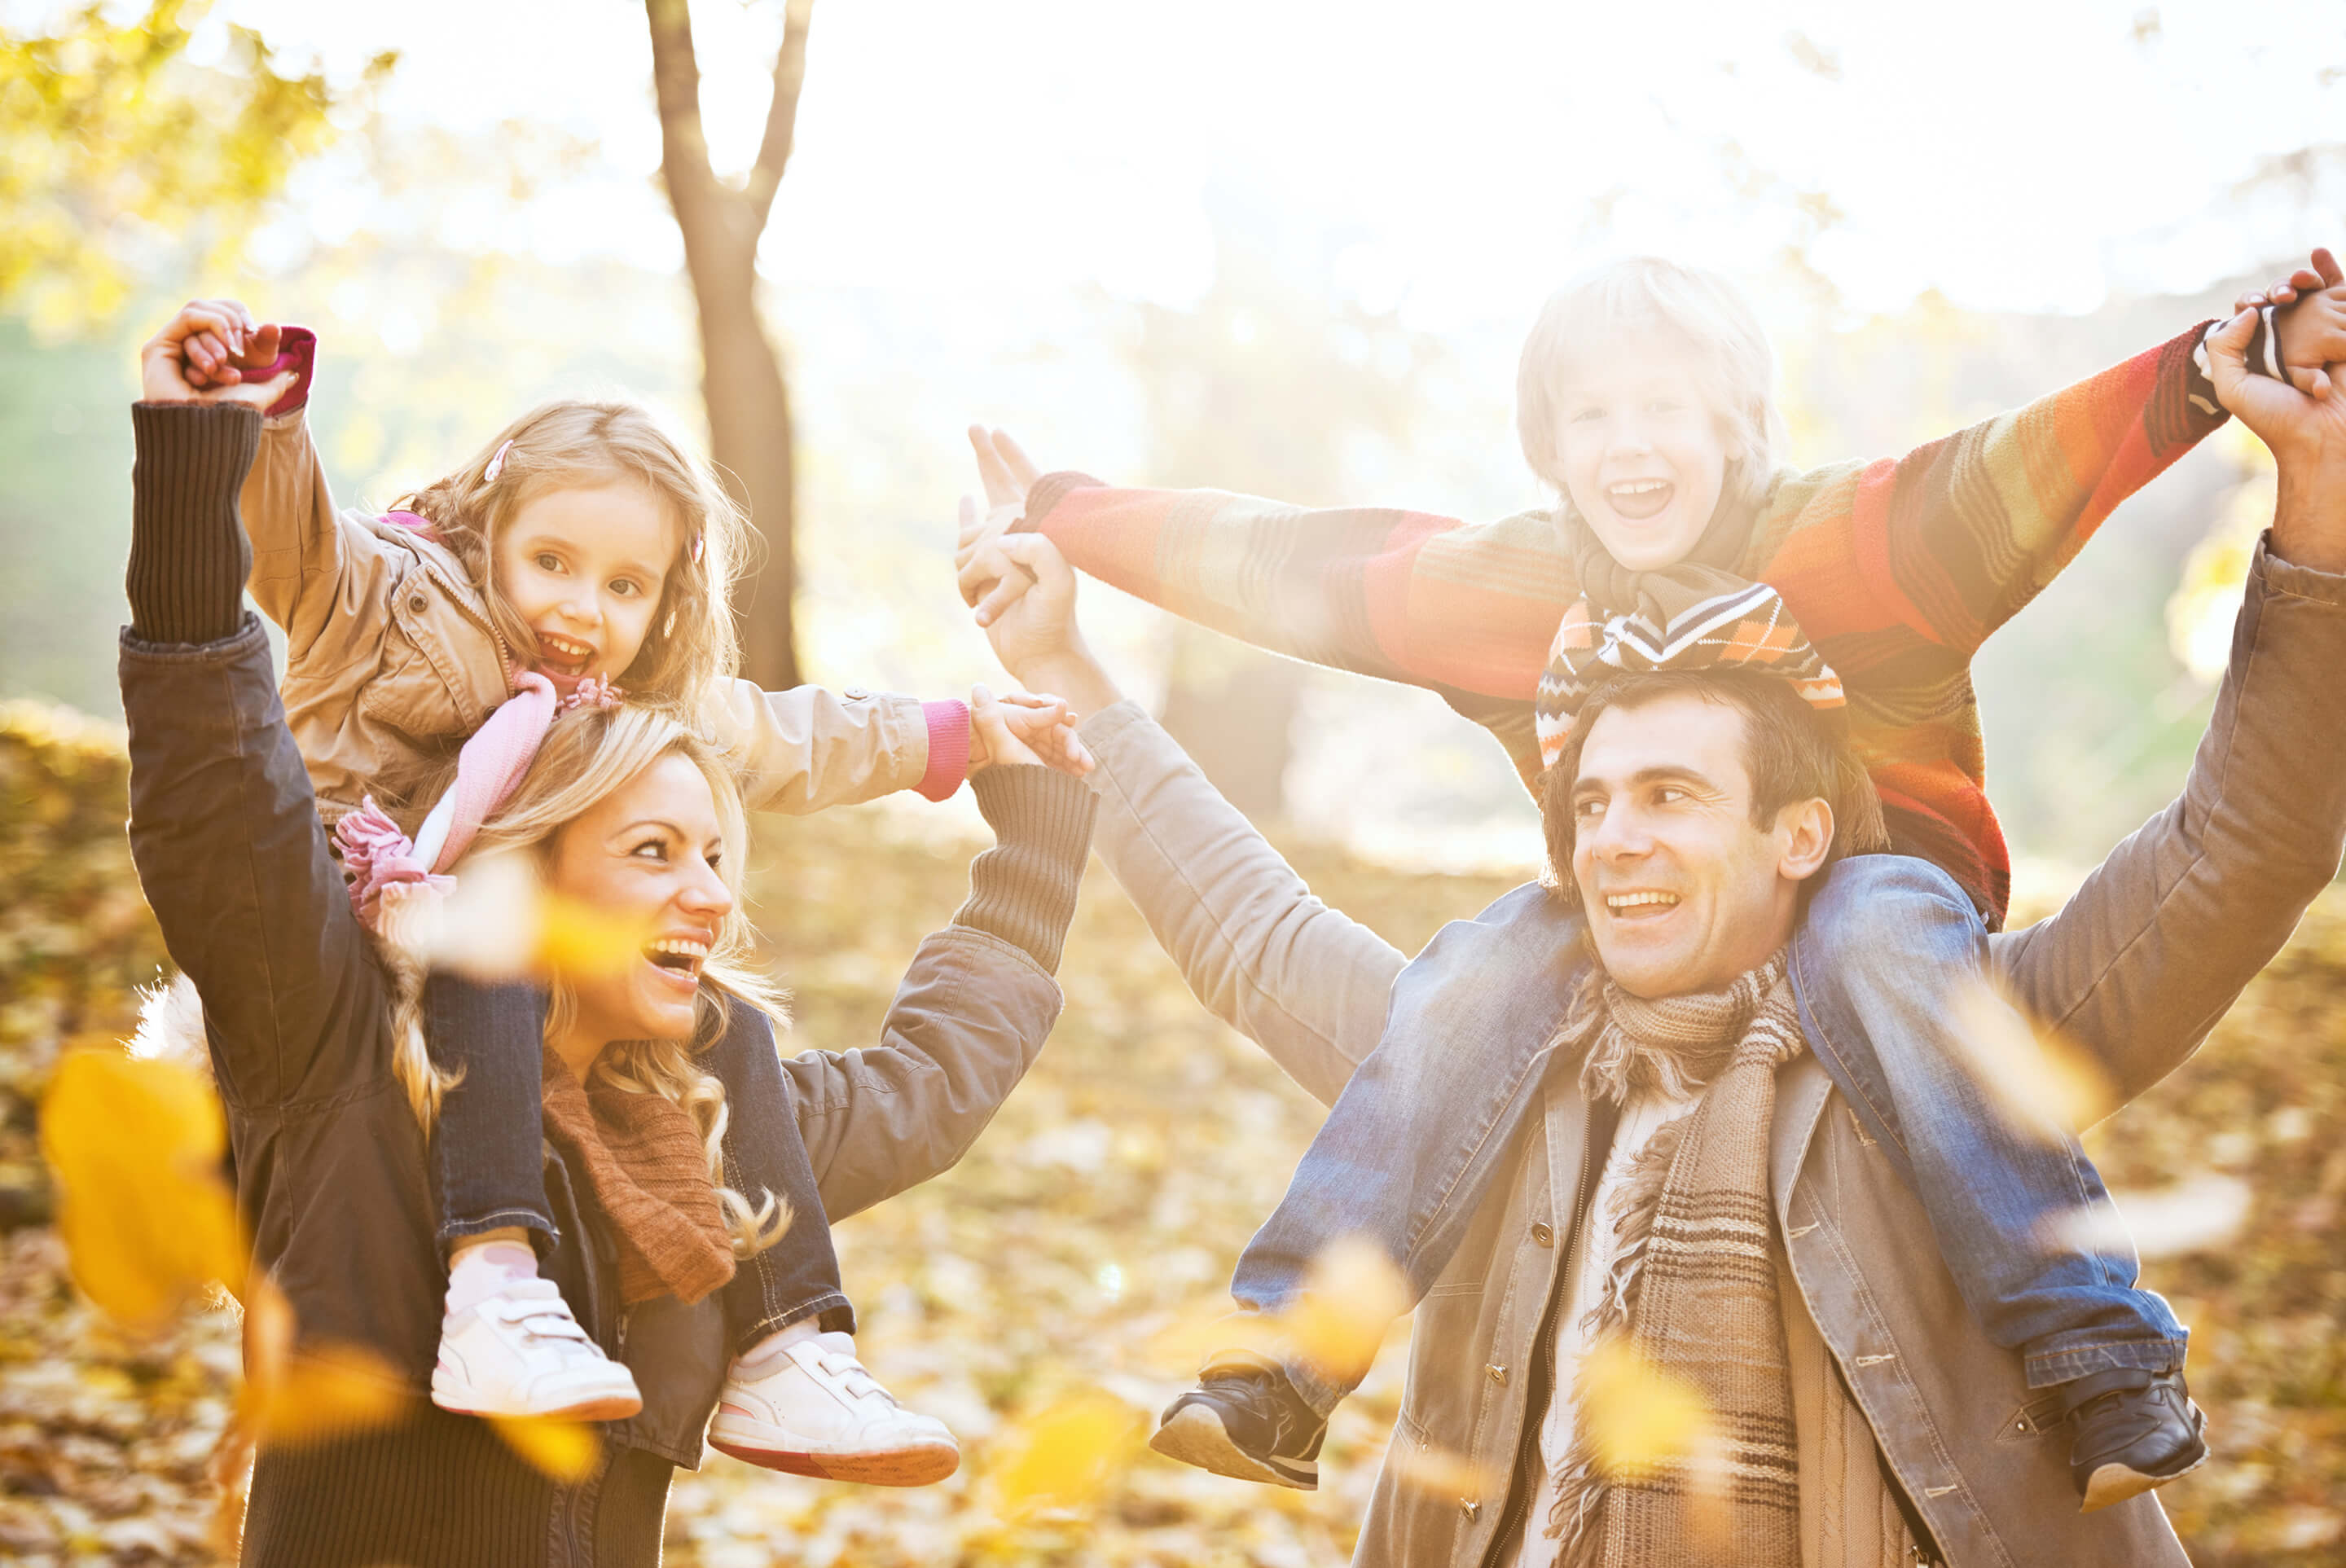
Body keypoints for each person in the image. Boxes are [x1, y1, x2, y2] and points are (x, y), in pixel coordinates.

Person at [965, 302, 2346, 1564]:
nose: (1617, 837)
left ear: (1796, 831)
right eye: (1595, 802)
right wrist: (1061, 660)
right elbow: (1247, 925)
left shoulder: (1961, 1044)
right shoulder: (1479, 1062)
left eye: (1675, 795)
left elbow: (2245, 843)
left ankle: (2100, 1355)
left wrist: (2314, 510)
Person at [115, 389, 1098, 1566]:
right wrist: (198, 446)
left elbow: (926, 1088)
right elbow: (214, 785)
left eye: (717, 855)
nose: (712, 897)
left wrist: (1035, 811)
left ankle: (794, 1353)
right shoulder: (346, 1076)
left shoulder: (704, 1130)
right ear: (539, 861)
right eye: (652, 851)